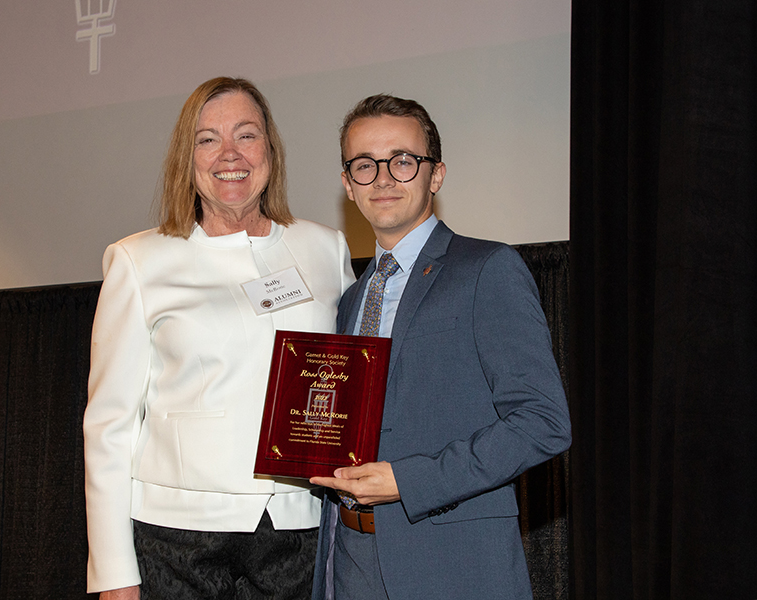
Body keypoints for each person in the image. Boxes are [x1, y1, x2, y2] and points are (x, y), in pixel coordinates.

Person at [84, 77, 355, 600]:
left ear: (270, 150)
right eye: (208, 139)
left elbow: (348, 384)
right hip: (176, 539)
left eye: (246, 135)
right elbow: (109, 425)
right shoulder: (139, 260)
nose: (229, 154)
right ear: (187, 157)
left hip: (298, 530)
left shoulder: (324, 248)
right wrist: (115, 572)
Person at [309, 95, 572, 600]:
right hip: (349, 562)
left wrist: (409, 481)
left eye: (403, 161)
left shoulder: (486, 270)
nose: (383, 178)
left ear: (436, 175)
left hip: (452, 565)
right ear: (347, 183)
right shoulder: (348, 301)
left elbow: (544, 422)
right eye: (364, 165)